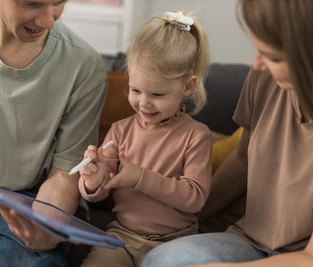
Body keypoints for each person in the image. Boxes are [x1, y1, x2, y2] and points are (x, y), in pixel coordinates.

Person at [142, 0, 313, 266]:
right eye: (258, 50)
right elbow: (243, 160)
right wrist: (183, 222)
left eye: (274, 57)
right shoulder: (266, 78)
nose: (257, 64)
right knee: (165, 259)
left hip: (308, 257)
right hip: (250, 241)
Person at [0, 0, 107, 266]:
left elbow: (65, 174)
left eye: (59, 2)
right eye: (33, 4)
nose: (49, 21)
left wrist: (46, 227)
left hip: (30, 201)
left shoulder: (83, 65)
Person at [77, 10, 212, 267]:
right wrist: (93, 182)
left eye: (158, 94)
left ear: (187, 87)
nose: (144, 103)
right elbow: (101, 194)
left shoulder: (196, 136)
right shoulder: (119, 130)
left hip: (176, 242)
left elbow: (194, 198)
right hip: (122, 237)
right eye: (136, 90)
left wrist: (139, 177)